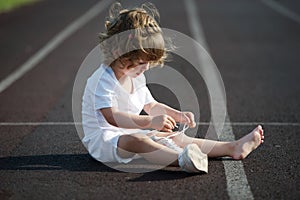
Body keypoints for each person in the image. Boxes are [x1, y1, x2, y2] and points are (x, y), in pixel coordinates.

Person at [81, 2, 264, 173]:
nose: (145, 68)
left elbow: (151, 106)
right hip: (105, 141)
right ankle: (182, 159)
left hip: (129, 133)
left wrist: (177, 114)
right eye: (141, 62)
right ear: (118, 53)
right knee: (138, 140)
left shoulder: (135, 77)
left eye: (149, 63)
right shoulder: (102, 80)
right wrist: (150, 122)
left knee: (174, 137)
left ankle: (232, 147)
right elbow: (112, 118)